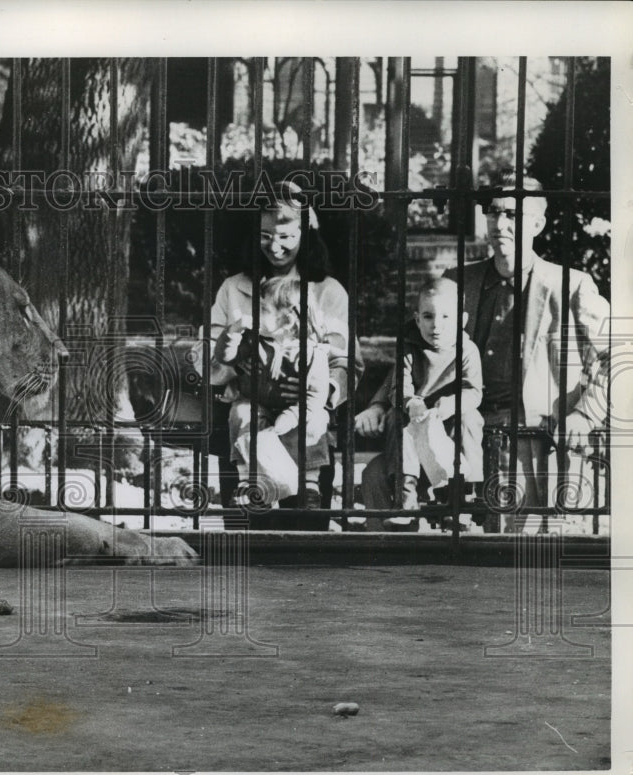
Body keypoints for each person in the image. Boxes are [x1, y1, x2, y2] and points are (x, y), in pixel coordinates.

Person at [356, 171, 610, 530]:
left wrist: (584, 416)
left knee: (508, 549)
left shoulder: (571, 286)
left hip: (528, 436)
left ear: (537, 223)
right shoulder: (457, 281)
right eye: (493, 211)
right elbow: (411, 351)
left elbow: (617, 361)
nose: (500, 222)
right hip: (449, 427)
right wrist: (380, 402)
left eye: (513, 214)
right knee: (379, 479)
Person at [208, 180, 363, 511]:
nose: (274, 247)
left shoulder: (328, 291)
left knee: (304, 531)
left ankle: (305, 490)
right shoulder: (233, 289)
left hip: (305, 415)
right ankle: (254, 488)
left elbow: (348, 362)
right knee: (252, 537)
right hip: (251, 408)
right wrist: (238, 365)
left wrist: (320, 391)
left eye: (286, 237)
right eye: (265, 236)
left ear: (306, 236)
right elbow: (208, 360)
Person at [371, 278, 484, 529]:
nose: (437, 326)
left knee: (470, 419)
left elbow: (473, 391)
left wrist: (451, 404)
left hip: (449, 413)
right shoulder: (410, 347)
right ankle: (405, 496)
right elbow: (398, 385)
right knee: (394, 418)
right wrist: (410, 402)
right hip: (416, 413)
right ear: (417, 318)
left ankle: (460, 500)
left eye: (446, 317)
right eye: (428, 316)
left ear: (462, 320)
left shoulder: (467, 350)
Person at [214, 275, 332, 508]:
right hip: (257, 402)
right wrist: (233, 333)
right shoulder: (252, 341)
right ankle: (247, 480)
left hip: (297, 408)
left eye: (263, 309)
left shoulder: (312, 354)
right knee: (241, 413)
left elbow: (315, 397)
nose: (254, 313)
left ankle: (310, 486)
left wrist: (290, 417)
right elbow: (224, 357)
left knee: (317, 421)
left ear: (288, 319)